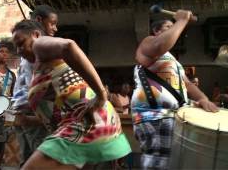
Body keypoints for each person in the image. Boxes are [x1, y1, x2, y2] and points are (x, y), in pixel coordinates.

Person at [11, 19, 131, 169]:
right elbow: (58, 112)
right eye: (16, 47)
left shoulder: (39, 44)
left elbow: (68, 46)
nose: (18, 50)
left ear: (36, 34)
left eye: (21, 43)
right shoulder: (40, 66)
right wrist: (28, 120)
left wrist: (100, 94)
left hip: (87, 123)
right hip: (89, 122)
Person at [131, 11, 218, 169]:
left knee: (174, 163)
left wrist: (203, 98)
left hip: (171, 116)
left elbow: (188, 85)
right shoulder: (149, 42)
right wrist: (182, 20)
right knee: (160, 164)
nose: (175, 29)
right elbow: (159, 45)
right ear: (157, 31)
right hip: (156, 115)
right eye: (168, 27)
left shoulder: (173, 61)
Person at [10, 4, 58, 166]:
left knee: (33, 161)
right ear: (39, 21)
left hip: (30, 114)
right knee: (38, 161)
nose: (55, 28)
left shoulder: (38, 51)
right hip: (31, 113)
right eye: (52, 23)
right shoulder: (35, 53)